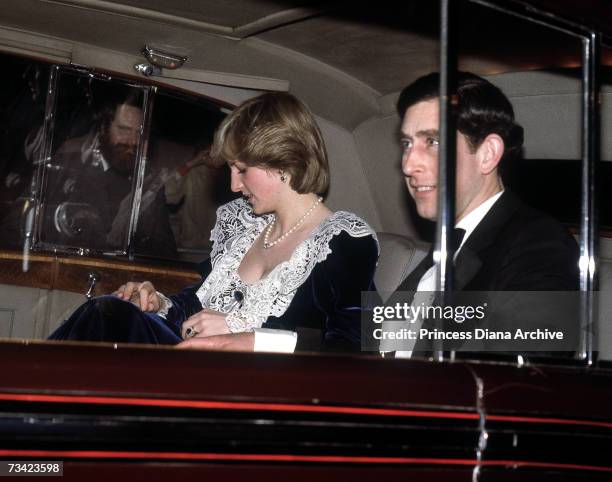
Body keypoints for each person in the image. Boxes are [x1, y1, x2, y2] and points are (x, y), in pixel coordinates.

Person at [49, 92, 378, 353]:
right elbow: (197, 310)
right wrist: (158, 303)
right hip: (198, 367)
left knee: (107, 317)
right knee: (109, 311)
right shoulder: (243, 227)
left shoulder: (343, 242)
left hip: (259, 390)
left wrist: (247, 339)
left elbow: (358, 347)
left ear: (285, 163)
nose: (234, 185)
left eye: (242, 169)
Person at [382, 72, 579, 356]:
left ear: (487, 154)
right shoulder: (446, 248)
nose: (409, 164)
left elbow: (522, 383)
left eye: (433, 142)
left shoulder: (542, 246)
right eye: (407, 144)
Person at [40, 92, 177, 257]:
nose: (133, 141)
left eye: (139, 133)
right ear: (103, 128)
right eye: (123, 130)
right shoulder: (67, 164)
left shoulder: (148, 183)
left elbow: (165, 251)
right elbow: (22, 227)